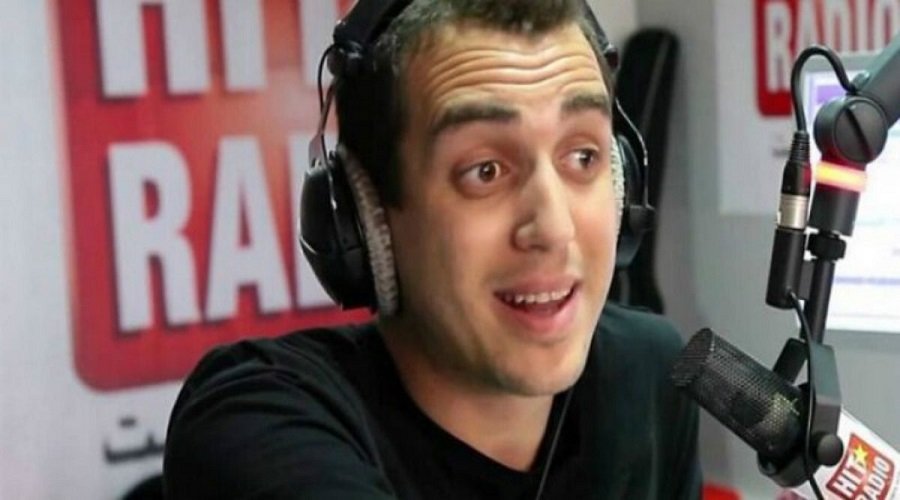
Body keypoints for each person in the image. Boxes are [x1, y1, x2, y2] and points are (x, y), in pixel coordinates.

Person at [163, 0, 702, 498]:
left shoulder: (647, 370)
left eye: (583, 157)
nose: (554, 228)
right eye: (484, 171)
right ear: (368, 219)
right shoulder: (255, 418)